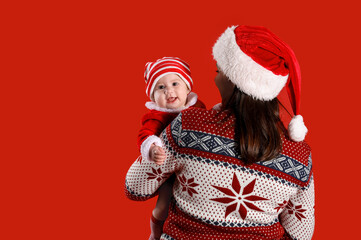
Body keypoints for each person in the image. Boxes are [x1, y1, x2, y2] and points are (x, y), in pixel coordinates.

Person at [125, 26, 314, 240]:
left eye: (218, 72)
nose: (215, 80)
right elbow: (302, 234)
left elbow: (135, 187)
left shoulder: (189, 124)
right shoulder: (299, 155)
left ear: (234, 79)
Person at [137, 57, 206, 240]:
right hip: (168, 171)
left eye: (175, 83)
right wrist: (152, 148)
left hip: (194, 169)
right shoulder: (157, 116)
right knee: (163, 207)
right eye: (161, 88)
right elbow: (145, 135)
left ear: (188, 88)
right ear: (153, 97)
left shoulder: (198, 108)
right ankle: (155, 234)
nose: (169, 91)